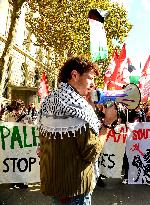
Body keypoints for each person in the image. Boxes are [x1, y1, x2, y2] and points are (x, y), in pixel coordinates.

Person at [38, 56, 118, 205]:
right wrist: (107, 123)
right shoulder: (77, 107)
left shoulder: (49, 101)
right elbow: (92, 152)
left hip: (54, 184)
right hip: (76, 189)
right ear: (75, 75)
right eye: (90, 78)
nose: (93, 84)